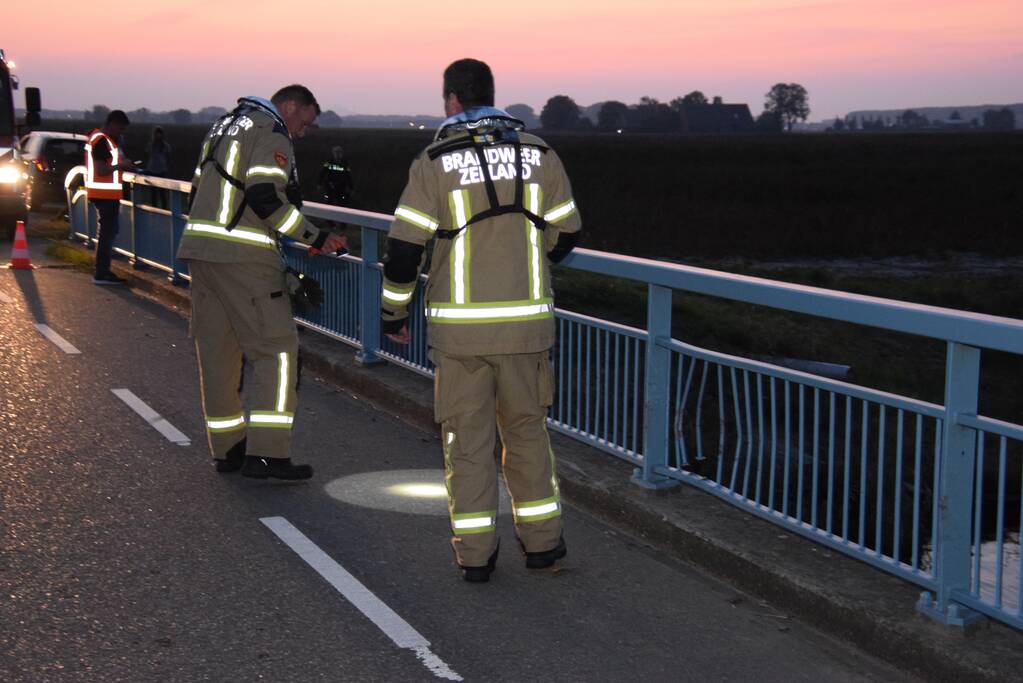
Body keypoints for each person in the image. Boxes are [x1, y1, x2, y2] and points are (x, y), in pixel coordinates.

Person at [381, 59, 582, 581]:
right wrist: (526, 261)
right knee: (528, 435)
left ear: (452, 99)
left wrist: (393, 314)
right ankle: (543, 547)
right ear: (492, 95)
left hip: (460, 336)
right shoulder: (539, 153)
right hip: (526, 330)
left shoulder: (434, 160)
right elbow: (568, 232)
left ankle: (475, 555)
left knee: (467, 445)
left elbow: (403, 251)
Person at [176, 85, 346, 480]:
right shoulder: (270, 130)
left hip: (201, 252)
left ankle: (228, 450)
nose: (302, 132)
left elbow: (199, 190)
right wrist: (315, 237)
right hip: (244, 258)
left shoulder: (224, 126)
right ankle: (268, 455)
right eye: (304, 122)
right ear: (290, 105)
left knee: (218, 355)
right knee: (278, 352)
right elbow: (265, 196)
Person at [85, 109, 135, 285]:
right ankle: (102, 272)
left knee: (109, 231)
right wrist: (122, 166)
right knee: (107, 233)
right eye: (120, 128)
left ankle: (103, 271)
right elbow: (101, 169)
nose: (121, 133)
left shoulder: (99, 138)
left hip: (104, 194)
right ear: (113, 124)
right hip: (105, 194)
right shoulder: (101, 141)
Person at [145, 126, 171, 208]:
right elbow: (147, 153)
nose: (158, 136)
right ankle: (154, 208)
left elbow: (168, 155)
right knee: (153, 192)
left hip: (162, 170)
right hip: (152, 170)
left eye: (159, 134)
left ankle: (164, 208)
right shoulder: (151, 145)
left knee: (162, 192)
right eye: (157, 134)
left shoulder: (165, 146)